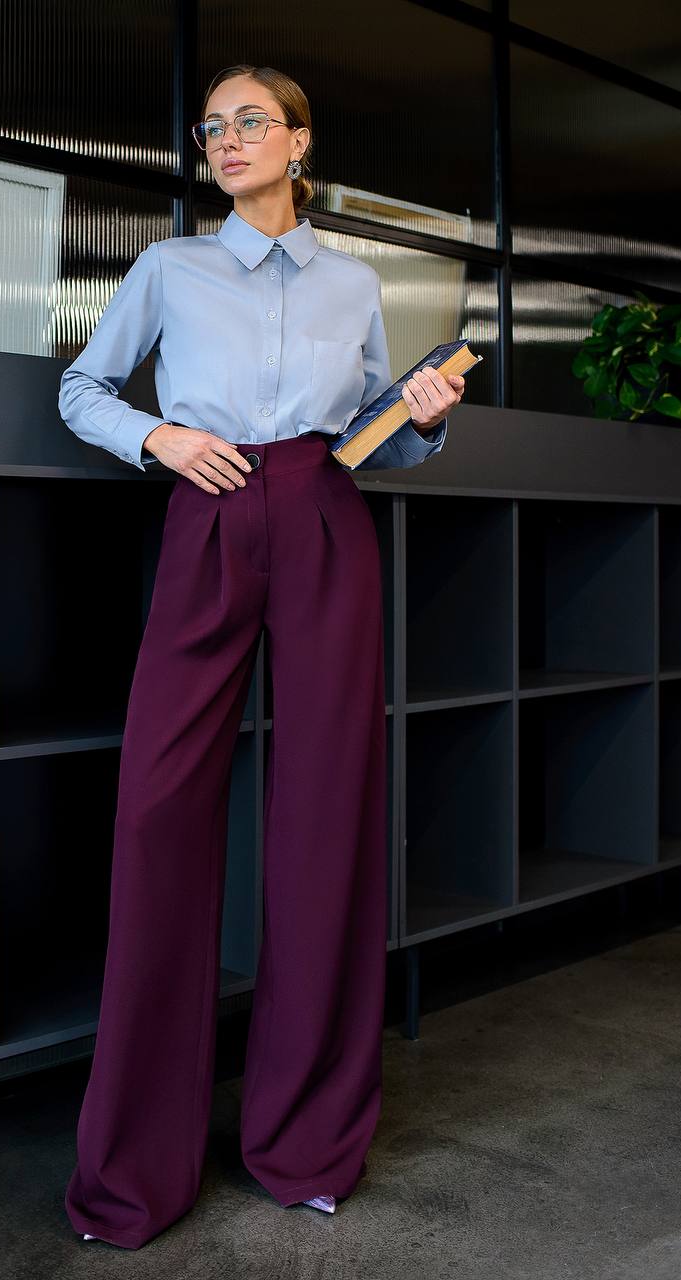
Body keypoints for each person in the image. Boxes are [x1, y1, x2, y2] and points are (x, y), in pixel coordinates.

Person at [57, 63, 464, 1250]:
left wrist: (420, 418)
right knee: (157, 811)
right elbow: (80, 387)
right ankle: (135, 1167)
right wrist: (160, 434)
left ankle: (307, 1142)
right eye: (212, 126)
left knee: (327, 815)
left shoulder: (353, 281)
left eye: (250, 123)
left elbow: (368, 441)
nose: (225, 141)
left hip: (327, 510)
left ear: (298, 143)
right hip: (211, 505)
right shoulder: (169, 267)